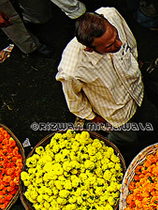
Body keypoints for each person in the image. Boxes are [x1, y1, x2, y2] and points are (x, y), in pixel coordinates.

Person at [56, 8, 144, 147]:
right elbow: (74, 100)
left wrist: (135, 60)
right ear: (90, 49)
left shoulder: (111, 14)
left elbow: (129, 42)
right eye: (110, 45)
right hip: (115, 110)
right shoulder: (71, 70)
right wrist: (93, 117)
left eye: (116, 36)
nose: (119, 44)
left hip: (135, 87)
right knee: (127, 139)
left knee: (143, 117)